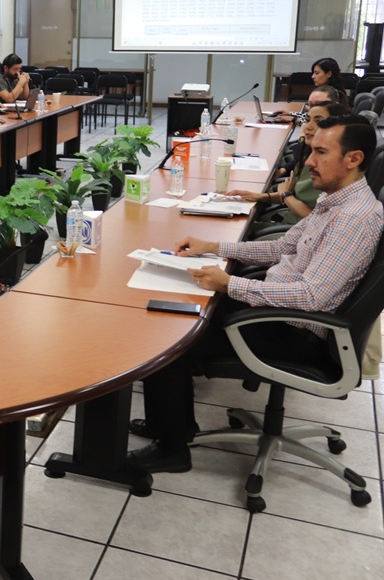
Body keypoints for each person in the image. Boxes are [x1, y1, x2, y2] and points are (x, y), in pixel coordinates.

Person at [127, 116, 382, 473]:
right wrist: (214, 246)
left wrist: (230, 284)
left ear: (354, 158)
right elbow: (281, 249)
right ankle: (169, 426)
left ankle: (171, 449)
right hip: (276, 308)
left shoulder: (354, 218)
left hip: (294, 331)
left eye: (321, 152)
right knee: (174, 307)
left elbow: (311, 298)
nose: (308, 161)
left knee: (168, 339)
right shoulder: (335, 201)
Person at [227, 101, 348, 232]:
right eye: (307, 120)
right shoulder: (309, 155)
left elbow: (318, 220)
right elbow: (295, 194)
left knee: (231, 230)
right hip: (287, 220)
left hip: (299, 231)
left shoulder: (328, 168)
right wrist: (259, 196)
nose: (307, 127)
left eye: (318, 121)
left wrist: (286, 195)